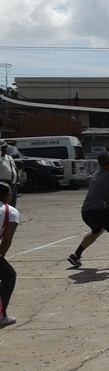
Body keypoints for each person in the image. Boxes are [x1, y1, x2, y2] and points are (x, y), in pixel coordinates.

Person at [0, 182, 19, 327]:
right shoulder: (11, 212)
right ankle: (1, 315)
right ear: (8, 196)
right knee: (9, 275)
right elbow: (7, 239)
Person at [0, 140, 19, 207]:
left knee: (13, 203)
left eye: (5, 148)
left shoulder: (9, 158)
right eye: (2, 148)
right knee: (4, 204)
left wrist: (17, 180)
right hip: (3, 185)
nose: (4, 150)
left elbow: (14, 168)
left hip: (13, 185)